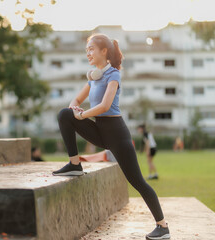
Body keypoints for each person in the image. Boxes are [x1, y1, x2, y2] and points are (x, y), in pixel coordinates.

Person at [51, 33, 170, 240]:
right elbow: (77, 98)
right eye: (86, 50)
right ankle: (74, 165)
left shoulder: (113, 75)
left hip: (117, 134)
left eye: (91, 49)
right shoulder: (94, 77)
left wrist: (82, 114)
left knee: (138, 181)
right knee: (64, 114)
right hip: (100, 131)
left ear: (104, 51)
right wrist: (74, 107)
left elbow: (105, 105)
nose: (88, 53)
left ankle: (162, 226)